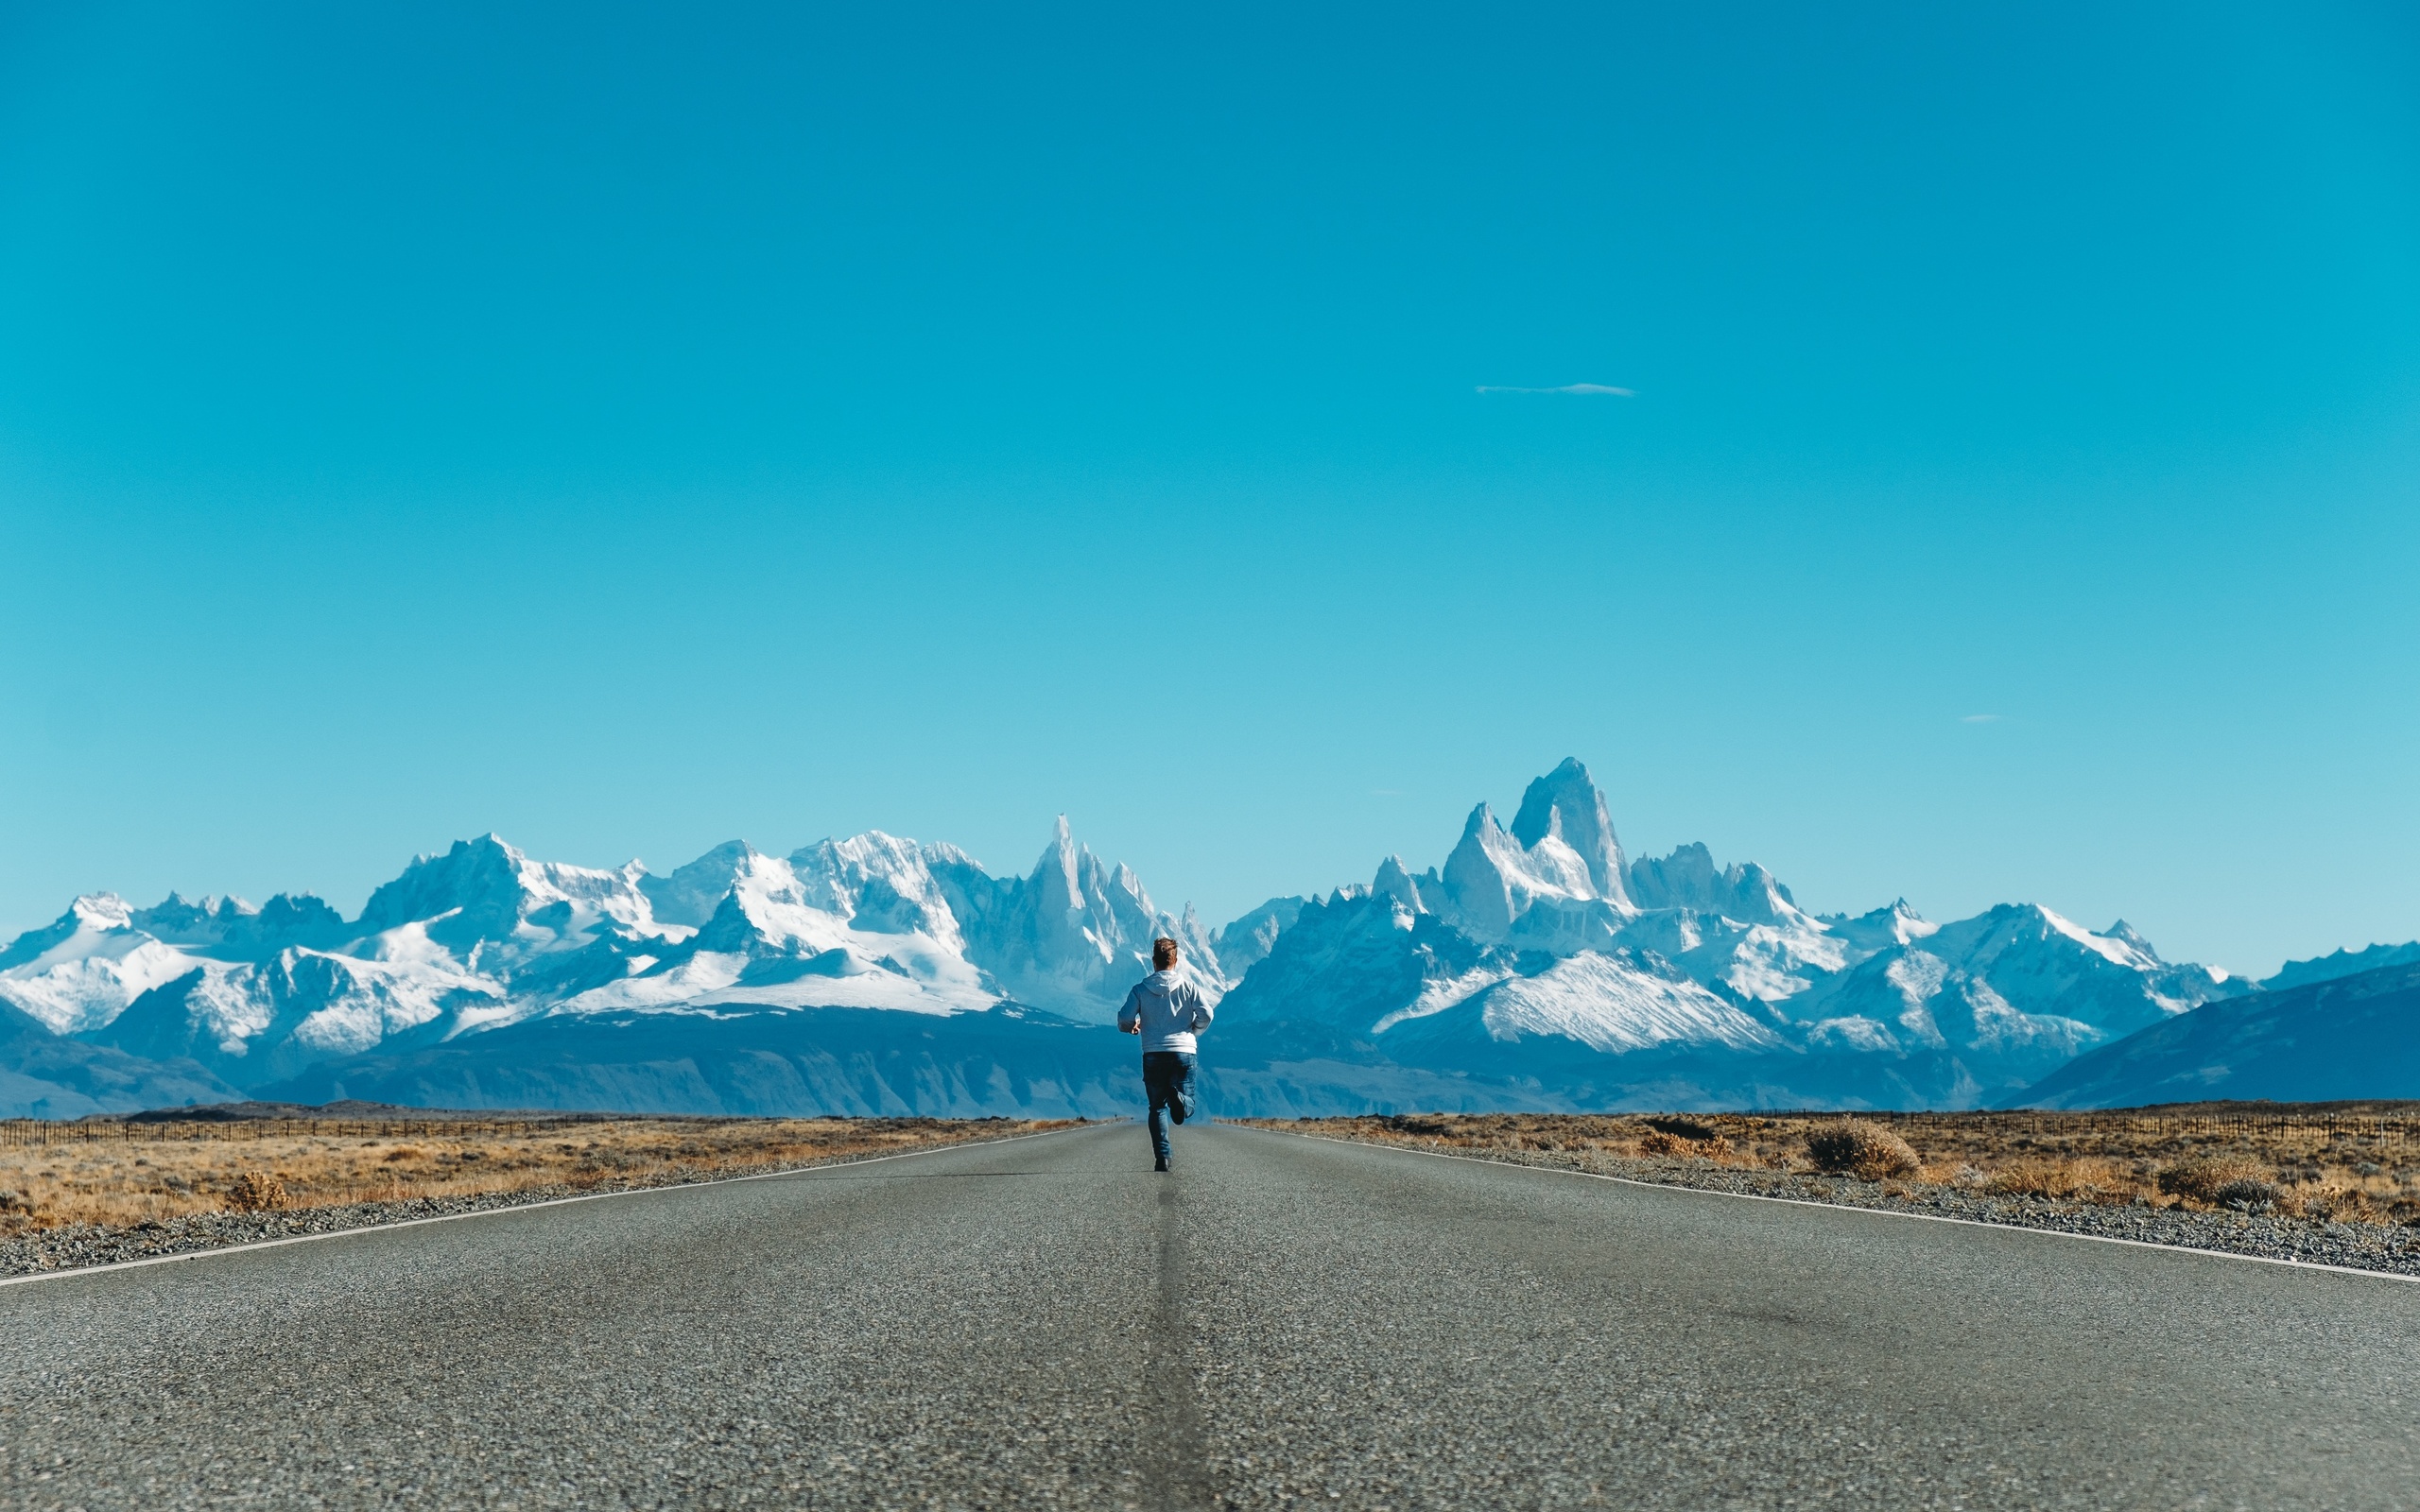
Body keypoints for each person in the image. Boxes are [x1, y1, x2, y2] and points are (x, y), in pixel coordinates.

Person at [1115, 936, 1213, 1172]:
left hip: (1153, 1052)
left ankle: (1163, 1157)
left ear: (1153, 962)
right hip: (1184, 1051)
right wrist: (1194, 1031)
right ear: (1175, 961)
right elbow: (1207, 1014)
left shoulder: (1140, 990)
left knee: (1157, 1107)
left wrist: (1133, 1027)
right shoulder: (1189, 987)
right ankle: (1180, 1101)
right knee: (1188, 1104)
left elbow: (1124, 1018)